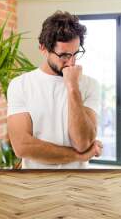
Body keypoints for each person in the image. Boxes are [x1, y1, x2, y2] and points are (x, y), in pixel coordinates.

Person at [7, 11, 102, 169]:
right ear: (43, 49)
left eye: (76, 53)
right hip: (35, 187)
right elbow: (22, 146)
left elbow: (82, 142)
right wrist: (79, 156)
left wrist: (72, 87)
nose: (71, 62)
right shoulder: (20, 85)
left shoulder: (90, 85)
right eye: (64, 55)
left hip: (77, 187)